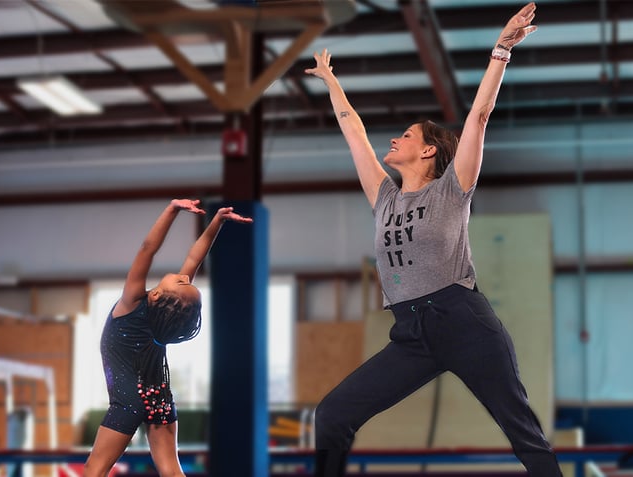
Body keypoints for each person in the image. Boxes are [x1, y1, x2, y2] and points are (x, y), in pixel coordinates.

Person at [304, 3, 562, 476]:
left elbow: (480, 117)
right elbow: (353, 133)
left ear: (428, 150)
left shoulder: (451, 189)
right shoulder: (384, 197)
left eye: (406, 135)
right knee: (333, 414)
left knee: (524, 433)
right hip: (411, 334)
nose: (394, 140)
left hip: (465, 323)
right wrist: (330, 80)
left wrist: (500, 50)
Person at [83, 199, 253, 477]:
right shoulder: (162, 320)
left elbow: (148, 249)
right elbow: (195, 258)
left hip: (129, 400)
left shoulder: (131, 303)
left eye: (183, 283)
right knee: (171, 471)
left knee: (95, 469)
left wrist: (172, 210)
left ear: (159, 295)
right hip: (157, 395)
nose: (186, 278)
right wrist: (216, 223)